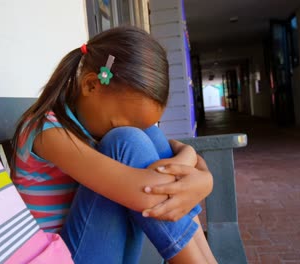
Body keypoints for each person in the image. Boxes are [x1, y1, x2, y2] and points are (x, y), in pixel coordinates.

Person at [11, 26, 217, 264]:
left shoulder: (85, 122)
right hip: (60, 259)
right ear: (91, 86)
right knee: (127, 141)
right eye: (116, 123)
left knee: (150, 135)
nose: (120, 129)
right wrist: (197, 174)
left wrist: (191, 160)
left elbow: (165, 162)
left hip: (96, 247)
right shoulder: (46, 132)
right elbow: (150, 195)